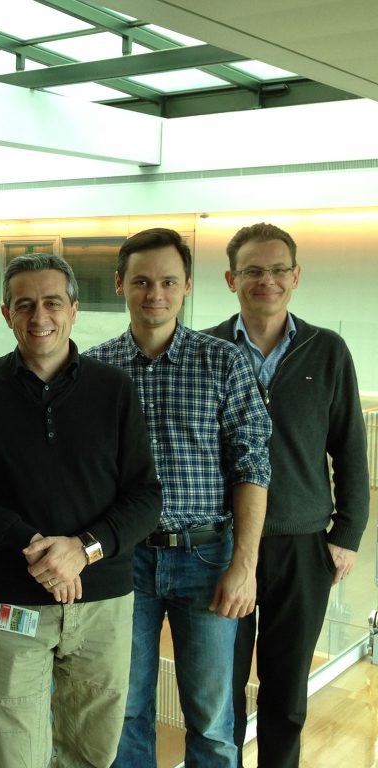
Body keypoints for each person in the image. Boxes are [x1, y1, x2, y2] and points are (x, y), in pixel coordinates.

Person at [0, 253, 162, 768]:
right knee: (10, 752)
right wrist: (33, 545)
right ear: (6, 314)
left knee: (92, 750)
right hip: (13, 600)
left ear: (74, 309)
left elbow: (146, 496)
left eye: (52, 302)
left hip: (102, 601)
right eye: (24, 305)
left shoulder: (114, 389)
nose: (39, 316)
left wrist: (83, 550)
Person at [85, 228, 272, 767]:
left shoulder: (223, 362)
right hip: (123, 561)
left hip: (207, 558)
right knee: (124, 710)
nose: (155, 294)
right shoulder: (94, 370)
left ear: (187, 285)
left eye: (168, 281)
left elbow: (253, 467)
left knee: (212, 718)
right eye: (142, 281)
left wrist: (245, 566)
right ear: (120, 284)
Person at [204, 222, 370, 768]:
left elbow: (350, 449)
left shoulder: (328, 351)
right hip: (220, 546)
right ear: (231, 279)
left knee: (286, 692)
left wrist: (346, 535)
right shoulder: (206, 350)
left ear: (296, 277)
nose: (266, 280)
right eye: (253, 270)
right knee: (218, 690)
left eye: (278, 270)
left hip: (302, 546)